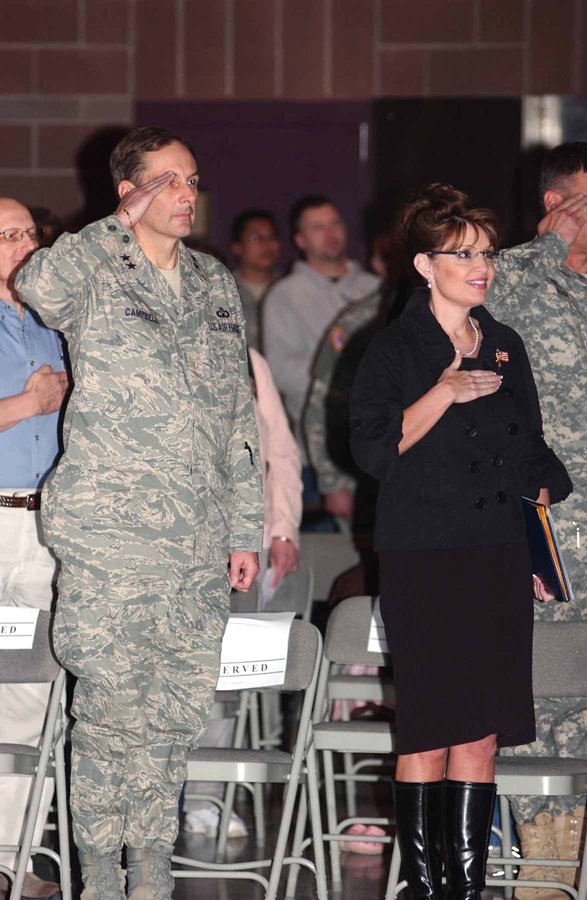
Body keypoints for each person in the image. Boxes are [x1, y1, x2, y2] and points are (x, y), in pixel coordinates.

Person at [15, 125, 264, 900]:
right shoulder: (91, 266)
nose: (186, 194)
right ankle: (100, 877)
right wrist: (114, 226)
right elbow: (38, 289)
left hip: (194, 539)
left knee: (173, 717)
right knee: (111, 718)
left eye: (192, 180)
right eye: (166, 181)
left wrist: (244, 528)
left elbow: (238, 418)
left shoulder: (215, 283)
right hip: (111, 535)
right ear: (128, 192)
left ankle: (150, 873)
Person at [350, 183, 572, 900]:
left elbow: (532, 457)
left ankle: (466, 887)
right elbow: (377, 452)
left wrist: (536, 544)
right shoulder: (392, 350)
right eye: (462, 254)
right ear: (424, 265)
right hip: (424, 554)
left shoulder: (504, 344)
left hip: (496, 552)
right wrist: (443, 390)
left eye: (485, 253)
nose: (481, 266)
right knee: (428, 727)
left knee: (479, 731)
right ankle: (423, 883)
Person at [490, 143, 587, 898]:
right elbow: (478, 295)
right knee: (536, 693)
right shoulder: (519, 285)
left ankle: (564, 862)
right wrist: (549, 243)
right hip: (543, 525)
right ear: (554, 206)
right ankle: (536, 863)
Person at [183, 346, 302, 837]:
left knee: (221, 679)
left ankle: (205, 798)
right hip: (159, 542)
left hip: (237, 547)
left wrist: (283, 530)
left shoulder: (244, 355)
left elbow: (280, 450)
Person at [0, 198, 68, 900]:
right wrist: (28, 403)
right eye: (8, 237)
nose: (25, 247)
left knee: (30, 691)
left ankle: (12, 859)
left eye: (29, 235)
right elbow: (34, 405)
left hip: (44, 526)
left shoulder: (51, 325)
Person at [263, 195, 380, 452]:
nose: (330, 232)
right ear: (300, 240)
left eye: (335, 223)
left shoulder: (375, 288)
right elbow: (281, 368)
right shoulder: (284, 294)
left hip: (378, 433)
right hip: (318, 439)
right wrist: (344, 383)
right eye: (317, 227)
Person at [231, 209, 280, 351]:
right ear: (237, 247)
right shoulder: (223, 293)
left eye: (272, 237)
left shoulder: (292, 291)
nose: (266, 244)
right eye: (256, 238)